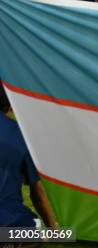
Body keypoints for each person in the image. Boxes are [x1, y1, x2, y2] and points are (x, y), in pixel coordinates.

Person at [0, 84, 58, 228]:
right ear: (11, 107)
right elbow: (38, 194)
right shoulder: (21, 134)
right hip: (10, 222)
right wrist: (53, 229)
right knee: (37, 229)